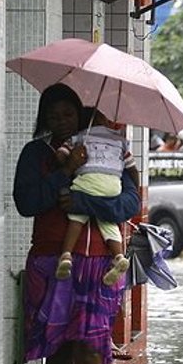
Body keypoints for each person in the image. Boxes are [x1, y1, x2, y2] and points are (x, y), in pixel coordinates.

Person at [12, 83, 141, 364]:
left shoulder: (114, 148)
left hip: (101, 265)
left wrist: (84, 200)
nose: (61, 121)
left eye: (68, 114)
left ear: (81, 114)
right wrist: (65, 172)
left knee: (90, 352)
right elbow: (26, 202)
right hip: (53, 261)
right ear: (43, 119)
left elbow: (131, 204)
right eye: (53, 116)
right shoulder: (37, 153)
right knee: (60, 350)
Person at [55, 110, 137, 286]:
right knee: (108, 223)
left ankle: (66, 255)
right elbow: (132, 169)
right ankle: (119, 256)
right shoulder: (120, 142)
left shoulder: (80, 138)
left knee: (77, 217)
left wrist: (66, 163)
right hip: (112, 188)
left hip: (87, 184)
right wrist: (134, 184)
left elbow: (60, 154)